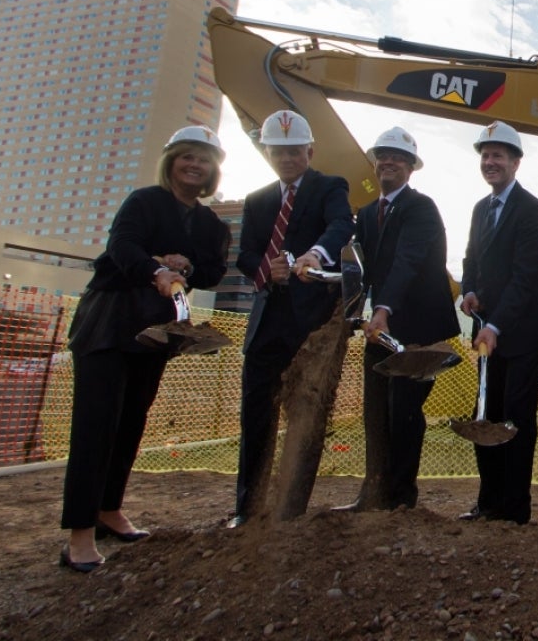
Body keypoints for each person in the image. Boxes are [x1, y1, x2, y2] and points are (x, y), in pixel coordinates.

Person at [60, 126, 231, 572]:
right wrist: (155, 269)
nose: (195, 165)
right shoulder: (143, 201)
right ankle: (78, 536)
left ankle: (108, 510)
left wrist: (188, 265)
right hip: (110, 323)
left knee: (131, 422)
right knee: (96, 426)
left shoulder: (211, 224)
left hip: (155, 333)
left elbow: (213, 270)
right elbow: (122, 246)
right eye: (187, 156)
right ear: (171, 160)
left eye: (205, 159)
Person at [229, 109, 353, 527]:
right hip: (268, 319)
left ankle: (291, 508)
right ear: (267, 152)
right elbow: (246, 254)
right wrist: (268, 268)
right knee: (256, 414)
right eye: (277, 152)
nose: (285, 159)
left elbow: (340, 225)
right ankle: (248, 507)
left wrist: (315, 254)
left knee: (307, 415)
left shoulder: (329, 188)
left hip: (312, 323)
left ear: (310, 150)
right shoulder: (257, 200)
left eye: (294, 151)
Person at [337, 127, 460, 511]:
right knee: (376, 411)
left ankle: (401, 499)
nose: (388, 162)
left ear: (410, 167)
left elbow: (407, 262)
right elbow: (361, 267)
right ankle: (374, 492)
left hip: (418, 330)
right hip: (381, 326)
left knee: (404, 410)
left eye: (398, 158)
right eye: (383, 156)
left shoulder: (420, 208)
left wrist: (383, 310)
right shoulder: (369, 214)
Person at [458, 121, 538, 525]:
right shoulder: (480, 209)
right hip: (489, 329)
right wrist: (469, 291)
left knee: (516, 417)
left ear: (516, 162)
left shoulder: (532, 210)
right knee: (485, 412)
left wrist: (496, 327)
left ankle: (515, 509)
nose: (490, 162)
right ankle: (489, 502)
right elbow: (471, 259)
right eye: (485, 156)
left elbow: (524, 277)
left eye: (498, 155)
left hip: (523, 331)